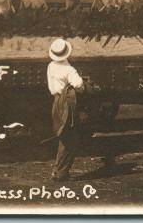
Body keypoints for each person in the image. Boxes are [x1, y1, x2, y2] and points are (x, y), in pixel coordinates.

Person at [47, 38, 87, 182]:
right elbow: (78, 84)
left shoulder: (51, 65)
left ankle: (58, 170)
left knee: (63, 135)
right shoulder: (69, 69)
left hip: (57, 100)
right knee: (69, 138)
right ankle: (61, 173)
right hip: (67, 103)